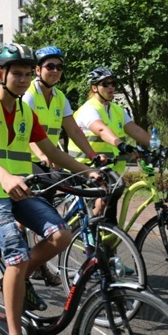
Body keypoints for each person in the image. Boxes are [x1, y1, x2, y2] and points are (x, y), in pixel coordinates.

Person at [0, 43, 99, 335]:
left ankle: (20, 280)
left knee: (61, 235)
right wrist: (4, 177)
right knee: (17, 258)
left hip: (16, 191)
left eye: (25, 74)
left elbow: (53, 151)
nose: (22, 80)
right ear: (0, 75)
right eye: (16, 73)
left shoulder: (25, 112)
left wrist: (91, 170)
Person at [22, 46, 103, 286]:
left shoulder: (59, 97)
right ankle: (27, 262)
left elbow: (73, 129)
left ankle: (39, 261)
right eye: (50, 66)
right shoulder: (28, 95)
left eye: (58, 67)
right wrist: (40, 153)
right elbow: (26, 129)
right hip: (28, 159)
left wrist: (92, 154)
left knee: (67, 196)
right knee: (38, 215)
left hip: (50, 158)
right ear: (37, 70)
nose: (55, 71)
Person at [67, 66, 151, 220]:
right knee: (114, 189)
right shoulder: (89, 109)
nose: (111, 87)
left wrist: (157, 146)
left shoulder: (117, 110)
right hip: (85, 167)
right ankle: (90, 220)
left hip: (108, 170)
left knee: (111, 223)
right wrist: (121, 144)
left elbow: (135, 130)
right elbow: (101, 130)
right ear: (94, 87)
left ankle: (105, 237)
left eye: (113, 83)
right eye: (105, 84)